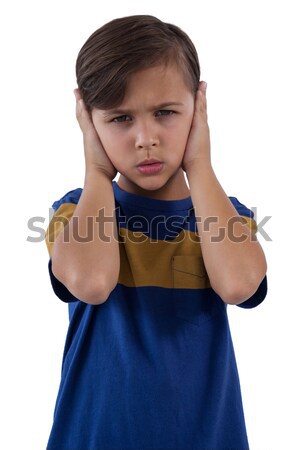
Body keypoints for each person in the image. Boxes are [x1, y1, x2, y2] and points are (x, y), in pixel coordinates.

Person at [45, 14, 268, 450]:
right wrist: (95, 173)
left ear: (197, 109)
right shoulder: (75, 210)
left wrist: (200, 165)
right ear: (88, 122)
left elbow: (240, 285)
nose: (145, 138)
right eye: (120, 119)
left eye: (165, 113)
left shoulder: (225, 215)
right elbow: (91, 283)